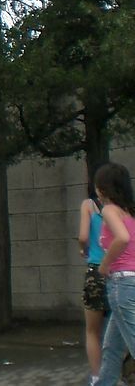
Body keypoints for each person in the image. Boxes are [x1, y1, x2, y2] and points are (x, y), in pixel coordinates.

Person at [92, 162, 135, 385]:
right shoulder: (128, 212)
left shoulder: (109, 210)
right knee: (111, 349)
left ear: (103, 188)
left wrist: (105, 264)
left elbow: (123, 239)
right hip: (130, 283)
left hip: (121, 284)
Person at [80, 172, 109, 382]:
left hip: (96, 272)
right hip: (120, 273)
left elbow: (82, 236)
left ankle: (97, 377)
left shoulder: (89, 205)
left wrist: (84, 249)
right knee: (119, 329)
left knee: (92, 331)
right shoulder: (123, 207)